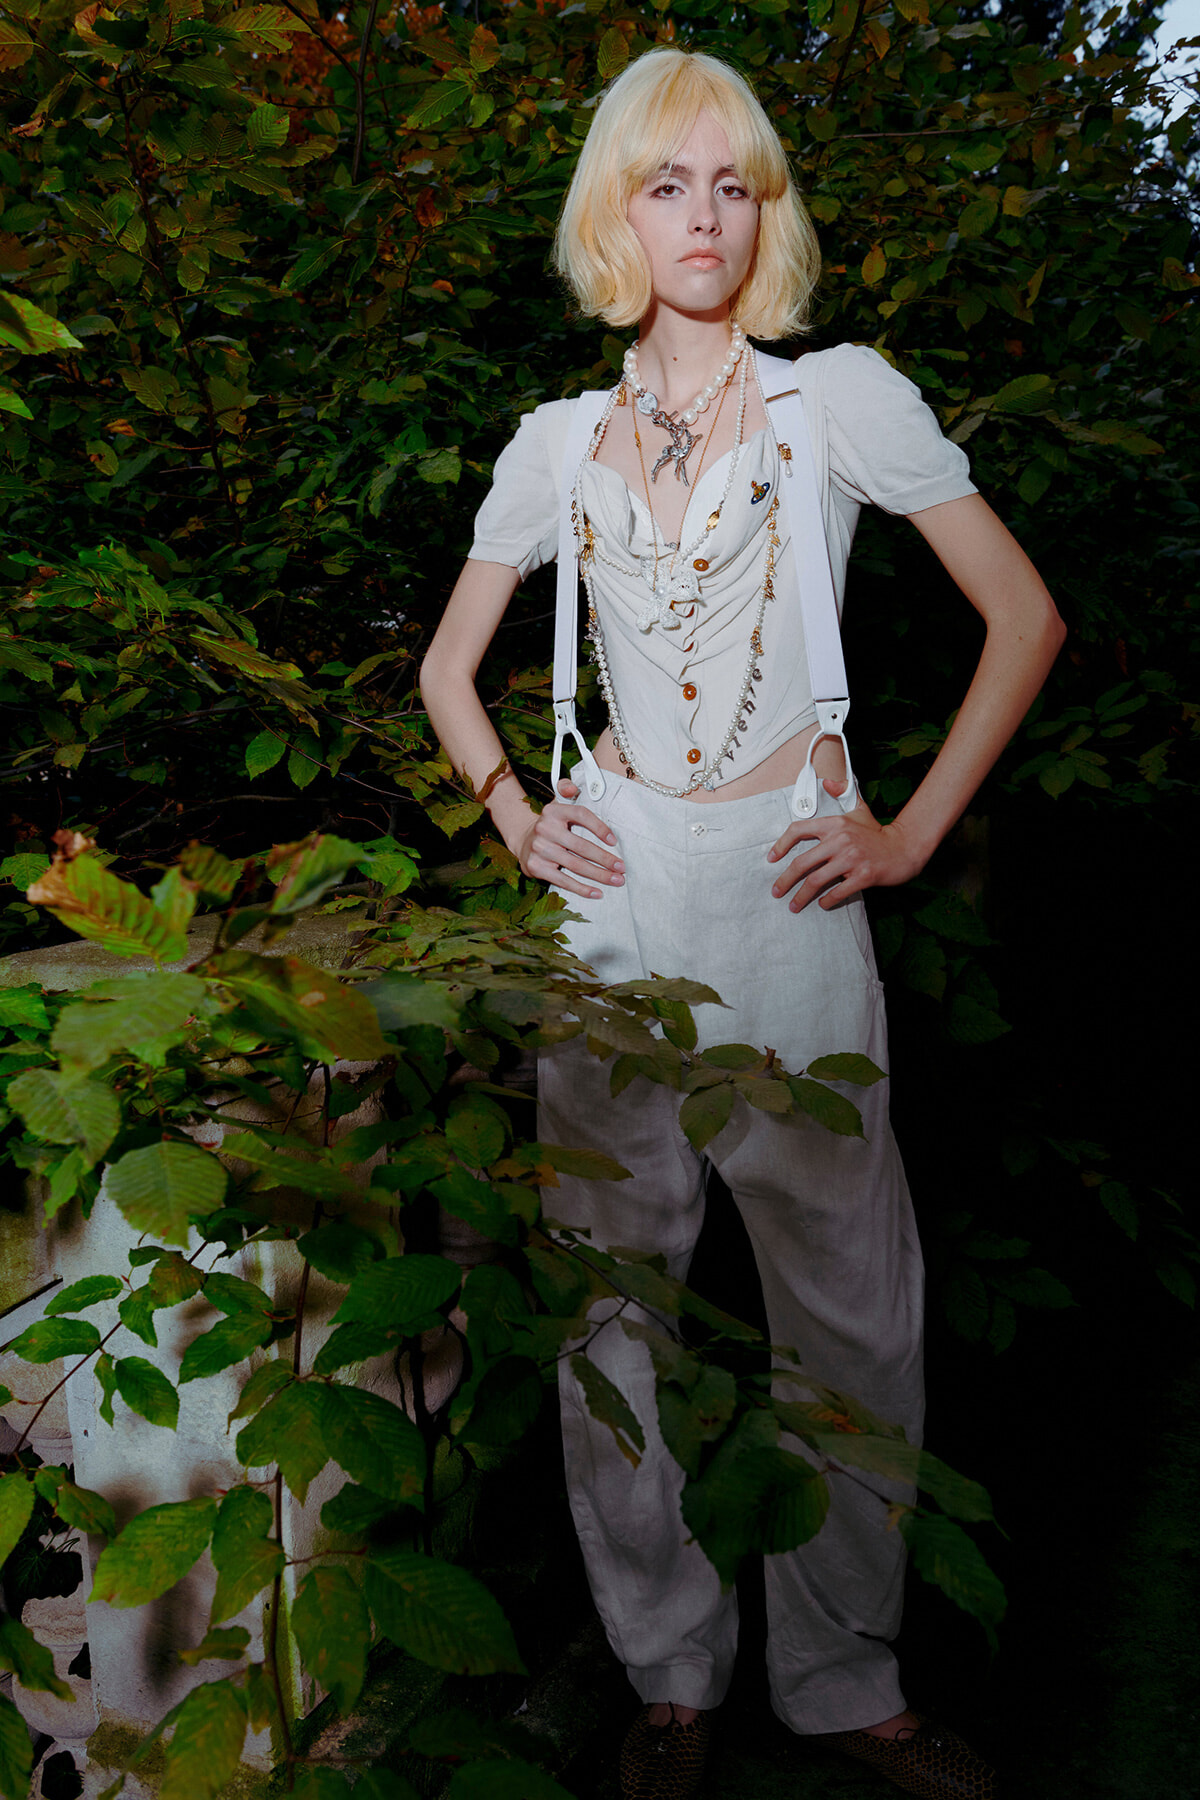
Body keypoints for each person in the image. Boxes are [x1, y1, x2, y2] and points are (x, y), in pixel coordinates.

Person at [420, 45, 1063, 1800]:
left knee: (849, 1307)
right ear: (612, 211)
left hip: (792, 874)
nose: (702, 216)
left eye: (734, 184)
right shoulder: (555, 442)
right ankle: (671, 1670)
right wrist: (519, 817)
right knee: (616, 1303)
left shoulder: (839, 400)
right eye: (665, 182)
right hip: (617, 891)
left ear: (762, 211)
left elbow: (1026, 617)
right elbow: (445, 668)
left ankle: (845, 1678)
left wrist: (910, 831)